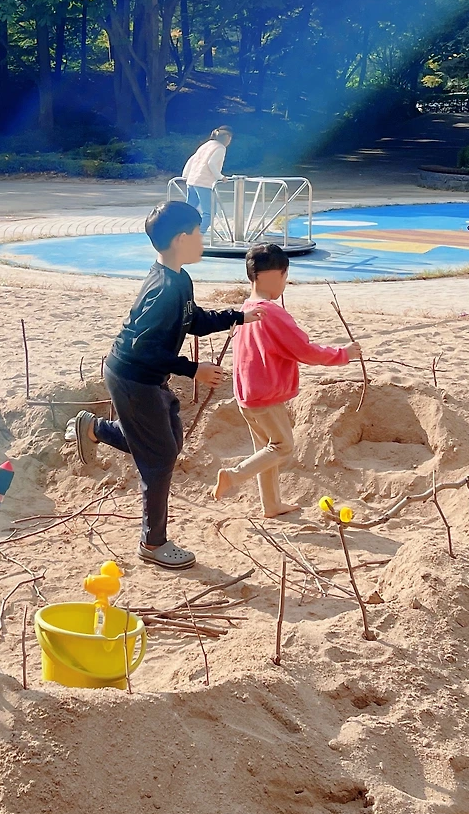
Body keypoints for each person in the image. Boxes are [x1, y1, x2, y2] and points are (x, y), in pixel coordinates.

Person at [67, 200, 259, 570]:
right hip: (133, 376)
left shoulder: (179, 279)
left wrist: (237, 316)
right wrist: (193, 369)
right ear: (181, 238)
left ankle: (95, 429)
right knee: (158, 460)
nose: (203, 239)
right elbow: (144, 348)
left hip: (146, 375)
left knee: (167, 444)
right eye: (199, 232)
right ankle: (152, 543)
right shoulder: (163, 288)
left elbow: (193, 320)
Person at [213, 242, 359, 516]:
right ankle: (233, 476)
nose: (285, 282)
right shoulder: (270, 312)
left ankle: (271, 505)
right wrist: (343, 354)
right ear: (276, 275)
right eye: (285, 276)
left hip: (246, 394)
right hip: (265, 395)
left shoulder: (246, 310)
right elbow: (304, 350)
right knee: (282, 446)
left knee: (265, 449)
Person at [181, 127, 232, 232]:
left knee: (189, 209)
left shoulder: (206, 145)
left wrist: (186, 174)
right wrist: (220, 177)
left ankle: (180, 230)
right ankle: (198, 235)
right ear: (227, 138)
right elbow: (211, 163)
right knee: (209, 212)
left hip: (192, 180)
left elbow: (192, 159)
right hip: (204, 182)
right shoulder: (220, 148)